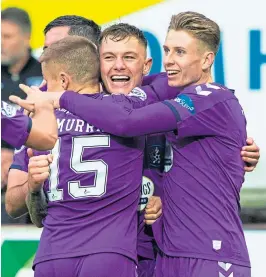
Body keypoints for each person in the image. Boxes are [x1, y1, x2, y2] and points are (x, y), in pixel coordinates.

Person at [20, 12, 252, 277]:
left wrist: (60, 97)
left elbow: (127, 121)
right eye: (167, 50)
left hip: (207, 252)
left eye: (180, 52)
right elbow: (21, 204)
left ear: (145, 65)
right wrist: (34, 186)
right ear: (97, 65)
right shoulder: (61, 117)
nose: (170, 60)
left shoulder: (199, 99)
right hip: (150, 256)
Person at [15, 36, 149, 277]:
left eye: (48, 82)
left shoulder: (44, 125)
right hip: (108, 254)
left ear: (64, 81)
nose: (45, 90)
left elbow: (38, 217)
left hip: (52, 256)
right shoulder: (127, 107)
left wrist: (34, 189)